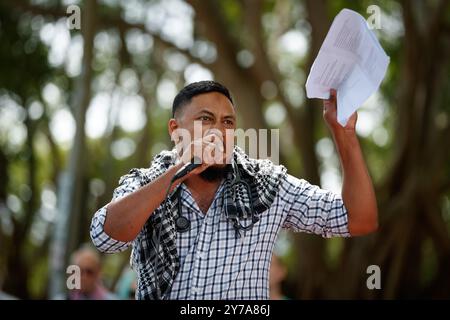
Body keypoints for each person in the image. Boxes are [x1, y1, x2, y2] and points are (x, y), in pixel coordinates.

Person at [90, 80, 378, 299]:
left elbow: (358, 219)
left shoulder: (267, 185)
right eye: (205, 119)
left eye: (228, 122)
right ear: (175, 129)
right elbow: (105, 237)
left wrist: (345, 134)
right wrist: (179, 173)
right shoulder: (146, 182)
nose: (219, 131)